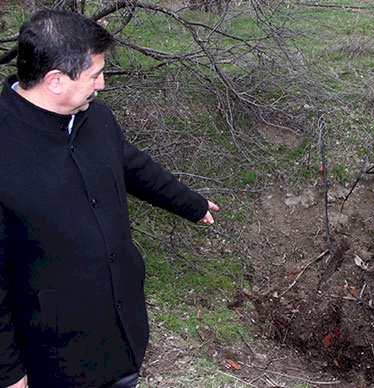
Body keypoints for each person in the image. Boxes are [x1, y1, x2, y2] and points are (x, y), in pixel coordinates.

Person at [0, 9, 219, 388]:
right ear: (54, 80)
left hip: (121, 336)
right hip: (54, 360)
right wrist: (8, 371)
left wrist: (191, 203)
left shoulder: (95, 119)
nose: (101, 85)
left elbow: (133, 166)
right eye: (95, 75)